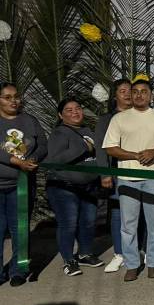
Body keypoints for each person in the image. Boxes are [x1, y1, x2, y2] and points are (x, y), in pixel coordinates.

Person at [103, 78, 154, 282]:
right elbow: (110, 148)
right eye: (135, 91)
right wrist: (135, 156)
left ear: (151, 95)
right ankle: (132, 264)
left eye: (144, 91)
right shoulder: (119, 119)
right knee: (128, 224)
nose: (139, 95)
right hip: (127, 178)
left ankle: (153, 263)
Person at [45, 98, 104, 276]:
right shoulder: (59, 133)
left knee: (88, 222)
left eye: (78, 108)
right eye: (69, 110)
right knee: (68, 224)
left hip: (88, 186)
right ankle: (68, 260)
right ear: (60, 115)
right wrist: (83, 148)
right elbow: (54, 161)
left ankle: (85, 254)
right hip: (64, 186)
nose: (75, 112)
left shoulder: (87, 131)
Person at [0, 82, 47, 286]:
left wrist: (33, 159)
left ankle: (20, 269)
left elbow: (43, 144)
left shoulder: (29, 120)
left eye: (16, 96)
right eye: (7, 97)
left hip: (21, 185)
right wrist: (16, 161)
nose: (14, 101)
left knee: (20, 229)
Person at [94, 78, 133, 274]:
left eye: (130, 90)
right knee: (118, 212)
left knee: (139, 212)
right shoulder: (106, 119)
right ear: (115, 95)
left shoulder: (141, 116)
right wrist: (105, 174)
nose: (127, 94)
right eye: (123, 90)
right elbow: (101, 149)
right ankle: (119, 253)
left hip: (139, 171)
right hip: (116, 172)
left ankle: (135, 251)